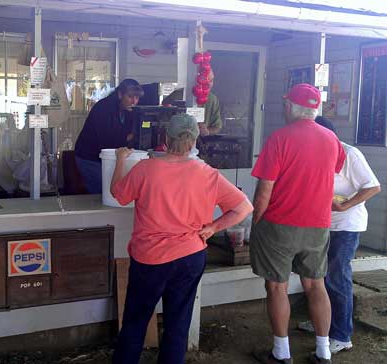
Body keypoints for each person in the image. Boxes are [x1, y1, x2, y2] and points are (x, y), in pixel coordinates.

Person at [110, 113, 253, 364]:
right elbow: (243, 208)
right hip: (190, 256)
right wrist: (213, 228)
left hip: (150, 259)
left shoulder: (146, 169)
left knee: (135, 321)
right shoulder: (208, 173)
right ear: (194, 141)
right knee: (177, 324)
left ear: (165, 138)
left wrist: (119, 160)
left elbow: (118, 194)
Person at [250, 84, 346, 364]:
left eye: (285, 104)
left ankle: (281, 353)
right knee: (316, 285)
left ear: (291, 106)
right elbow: (332, 171)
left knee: (276, 287)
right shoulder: (331, 140)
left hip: (279, 224)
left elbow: (264, 190)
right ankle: (323, 351)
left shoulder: (279, 138)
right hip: (318, 224)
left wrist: (256, 220)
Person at [297, 116, 381, 354]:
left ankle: (341, 335)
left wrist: (346, 205)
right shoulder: (310, 152)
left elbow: (373, 186)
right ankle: (321, 323)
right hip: (319, 224)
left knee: (336, 277)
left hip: (346, 225)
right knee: (317, 277)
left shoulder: (349, 154)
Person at [74, 79, 144, 194]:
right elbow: (107, 139)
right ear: (120, 94)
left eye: (137, 98)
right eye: (130, 97)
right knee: (104, 191)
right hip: (89, 157)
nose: (134, 102)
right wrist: (130, 137)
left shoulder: (127, 110)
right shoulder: (103, 108)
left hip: (105, 156)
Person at [161, 70, 222, 136]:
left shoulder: (213, 99)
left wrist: (207, 131)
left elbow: (217, 126)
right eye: (206, 81)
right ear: (196, 80)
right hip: (177, 140)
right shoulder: (179, 94)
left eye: (211, 80)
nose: (209, 84)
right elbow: (163, 114)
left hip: (200, 142)